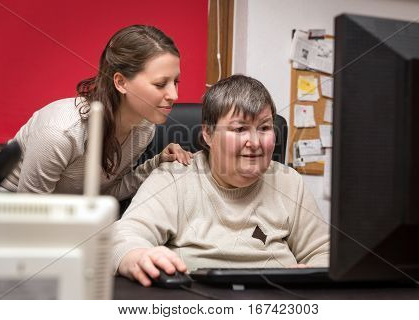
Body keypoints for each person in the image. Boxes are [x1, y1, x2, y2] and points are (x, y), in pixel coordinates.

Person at [113, 75, 329, 287]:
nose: (254, 142)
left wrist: (313, 273)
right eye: (240, 129)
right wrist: (138, 255)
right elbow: (124, 238)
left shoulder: (289, 182)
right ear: (208, 134)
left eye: (264, 128)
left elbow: (324, 252)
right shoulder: (173, 178)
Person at [0, 25, 192, 199]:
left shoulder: (144, 128)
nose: (174, 94)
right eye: (160, 84)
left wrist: (157, 163)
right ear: (121, 82)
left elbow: (103, 194)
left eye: (176, 82)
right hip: (9, 215)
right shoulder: (60, 133)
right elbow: (31, 214)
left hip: (66, 217)